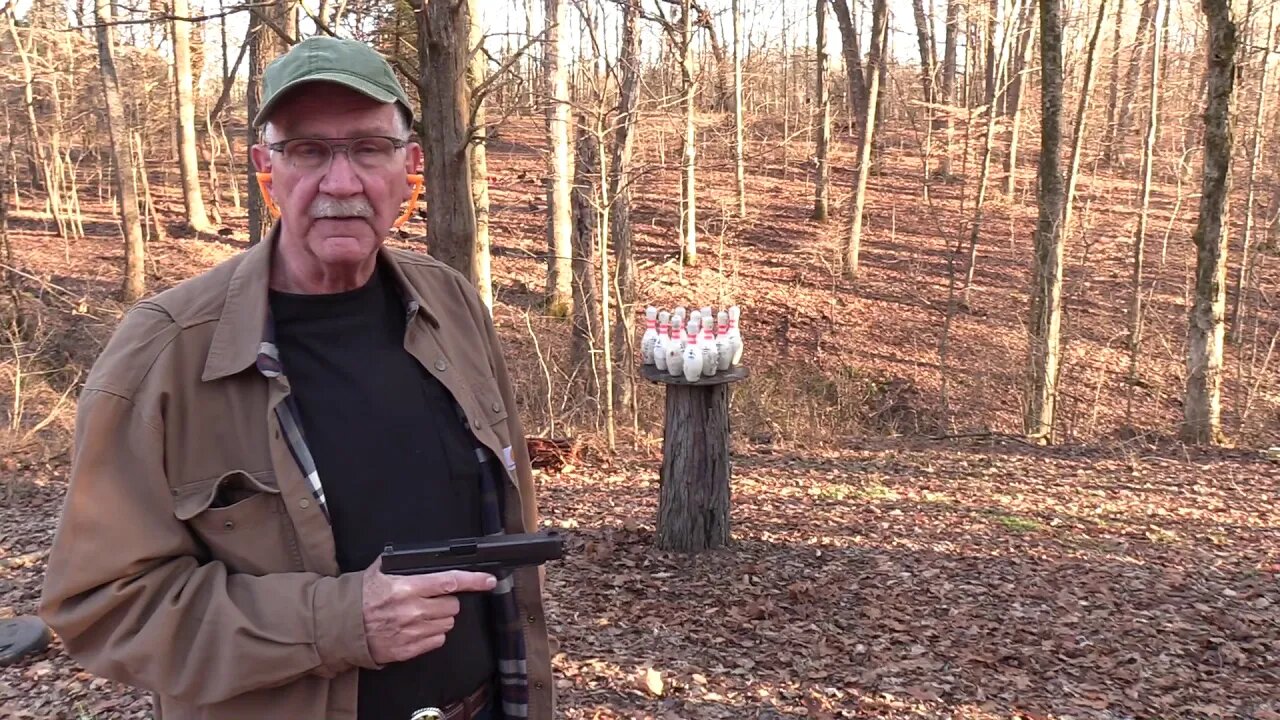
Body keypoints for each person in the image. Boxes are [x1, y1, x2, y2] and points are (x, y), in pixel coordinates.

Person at [38, 36, 553, 720]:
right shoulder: (167, 351)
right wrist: (338, 622)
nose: (341, 183)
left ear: (411, 167)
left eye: (370, 148)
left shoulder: (450, 305)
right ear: (266, 170)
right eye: (308, 151)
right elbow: (103, 606)